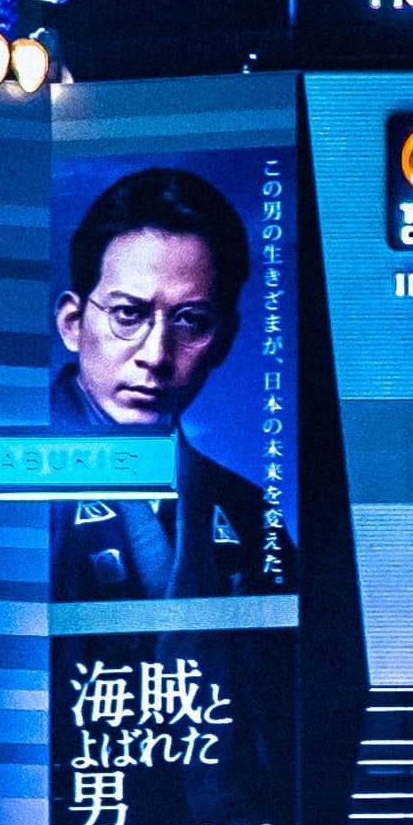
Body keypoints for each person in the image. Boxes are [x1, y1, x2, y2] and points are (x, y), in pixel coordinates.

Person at [47, 166, 293, 597]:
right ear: (72, 323)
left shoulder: (249, 512)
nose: (156, 355)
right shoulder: (11, 481)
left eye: (190, 321)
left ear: (224, 340)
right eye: (128, 314)